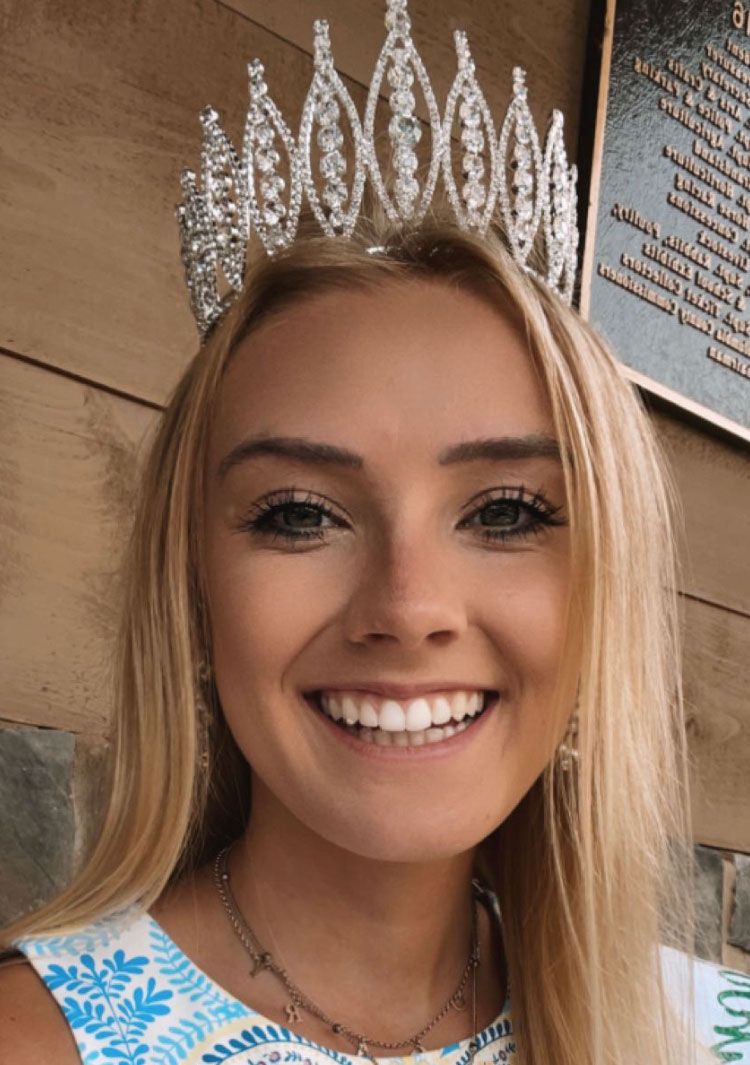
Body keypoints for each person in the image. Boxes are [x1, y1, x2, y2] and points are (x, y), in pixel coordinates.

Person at [1, 4, 749, 1064]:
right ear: (193, 590)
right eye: (300, 515)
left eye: (506, 513)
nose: (407, 608)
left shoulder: (695, 1034)